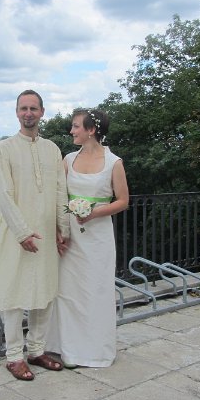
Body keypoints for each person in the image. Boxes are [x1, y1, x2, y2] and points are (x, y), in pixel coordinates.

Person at [0, 90, 70, 381]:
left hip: (46, 233)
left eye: (33, 108)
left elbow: (60, 191)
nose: (28, 113)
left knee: (45, 292)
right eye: (23, 108)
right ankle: (14, 357)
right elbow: (4, 194)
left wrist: (63, 228)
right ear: (16, 112)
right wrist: (22, 231)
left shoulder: (52, 149)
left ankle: (36, 351)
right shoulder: (4, 148)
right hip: (13, 234)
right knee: (13, 295)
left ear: (42, 112)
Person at [46, 108, 129, 368]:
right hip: (71, 235)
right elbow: (58, 195)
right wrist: (58, 229)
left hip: (98, 237)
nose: (71, 131)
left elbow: (123, 201)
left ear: (91, 130)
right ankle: (64, 347)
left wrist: (94, 213)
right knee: (67, 291)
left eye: (76, 126)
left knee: (95, 291)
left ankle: (93, 351)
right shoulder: (68, 159)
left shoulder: (114, 162)